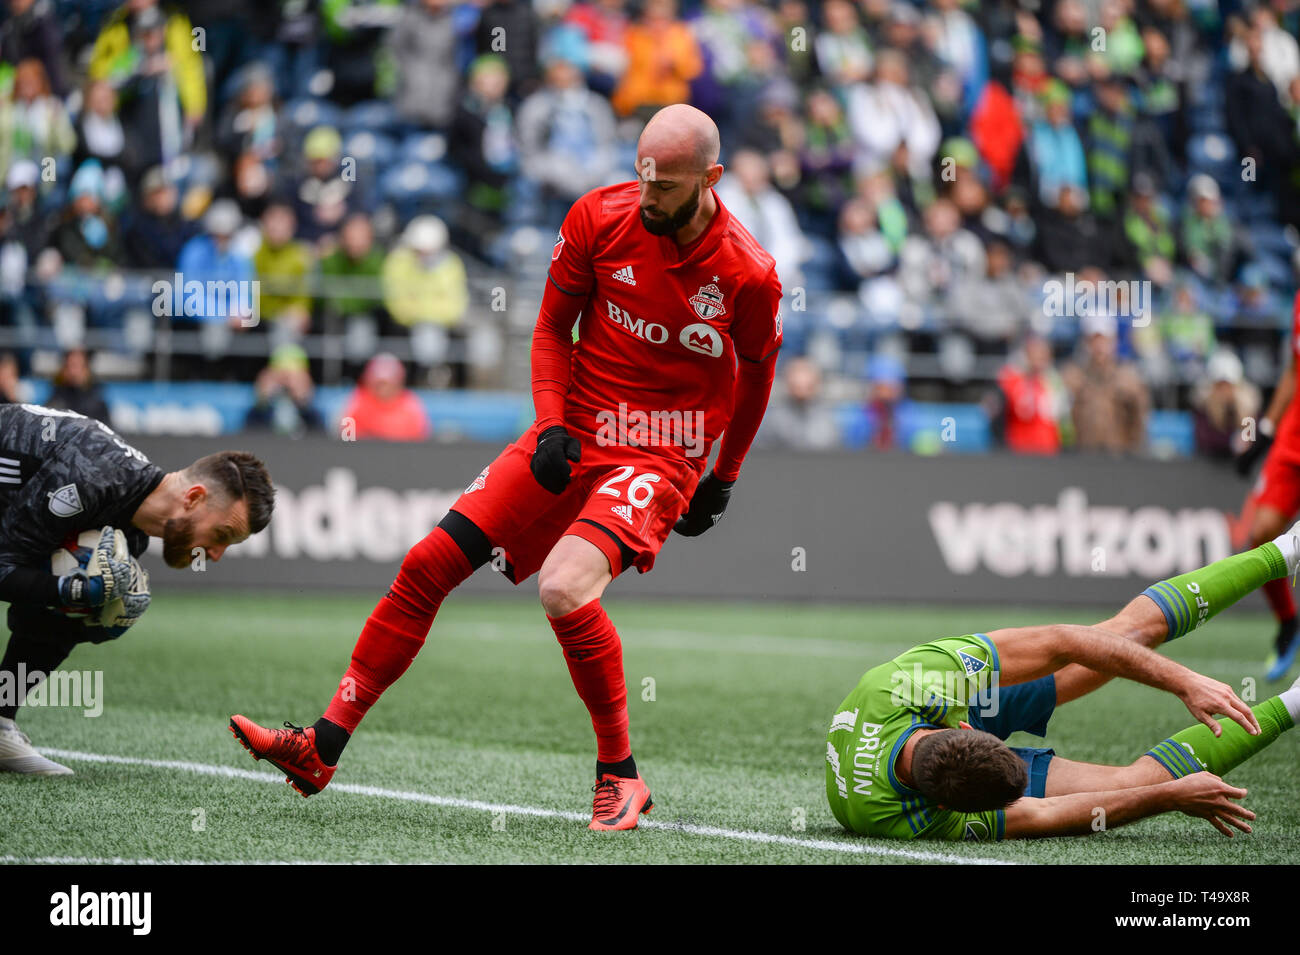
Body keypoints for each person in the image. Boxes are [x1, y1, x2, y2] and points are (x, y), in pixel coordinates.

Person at [229, 104, 783, 831]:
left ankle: (620, 774)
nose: (648, 198)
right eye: (642, 178)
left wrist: (725, 474)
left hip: (660, 450)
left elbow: (757, 373)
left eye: (667, 188)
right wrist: (551, 423)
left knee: (562, 587)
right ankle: (321, 746)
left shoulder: (749, 273)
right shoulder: (596, 218)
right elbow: (553, 326)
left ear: (711, 179)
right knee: (426, 562)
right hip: (575, 431)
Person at [826, 526, 1300, 841]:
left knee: (1124, 636)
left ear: (966, 728)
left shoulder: (912, 681)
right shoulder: (907, 819)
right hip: (932, 747)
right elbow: (1044, 814)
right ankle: (1296, 703)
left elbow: (1063, 641)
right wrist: (1168, 797)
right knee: (1133, 783)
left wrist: (1184, 681)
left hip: (930, 708)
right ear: (949, 806)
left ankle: (1284, 550)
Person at [0, 402, 274, 774]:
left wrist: (95, 624)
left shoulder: (129, 533)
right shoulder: (92, 476)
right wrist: (74, 592)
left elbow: (37, 616)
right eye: (222, 535)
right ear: (193, 498)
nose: (216, 554)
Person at [1234, 287, 1300, 680]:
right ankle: (1289, 622)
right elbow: (1294, 370)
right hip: (1294, 437)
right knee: (1261, 536)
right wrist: (1266, 430)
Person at [336, 352, 431, 442]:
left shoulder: (411, 405)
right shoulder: (356, 401)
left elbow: (420, 438)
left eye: (387, 383)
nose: (383, 388)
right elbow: (346, 437)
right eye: (379, 383)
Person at [46, 348, 111, 425]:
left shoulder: (97, 402)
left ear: (87, 369)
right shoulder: (56, 399)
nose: (73, 372)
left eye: (76, 366)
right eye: (69, 366)